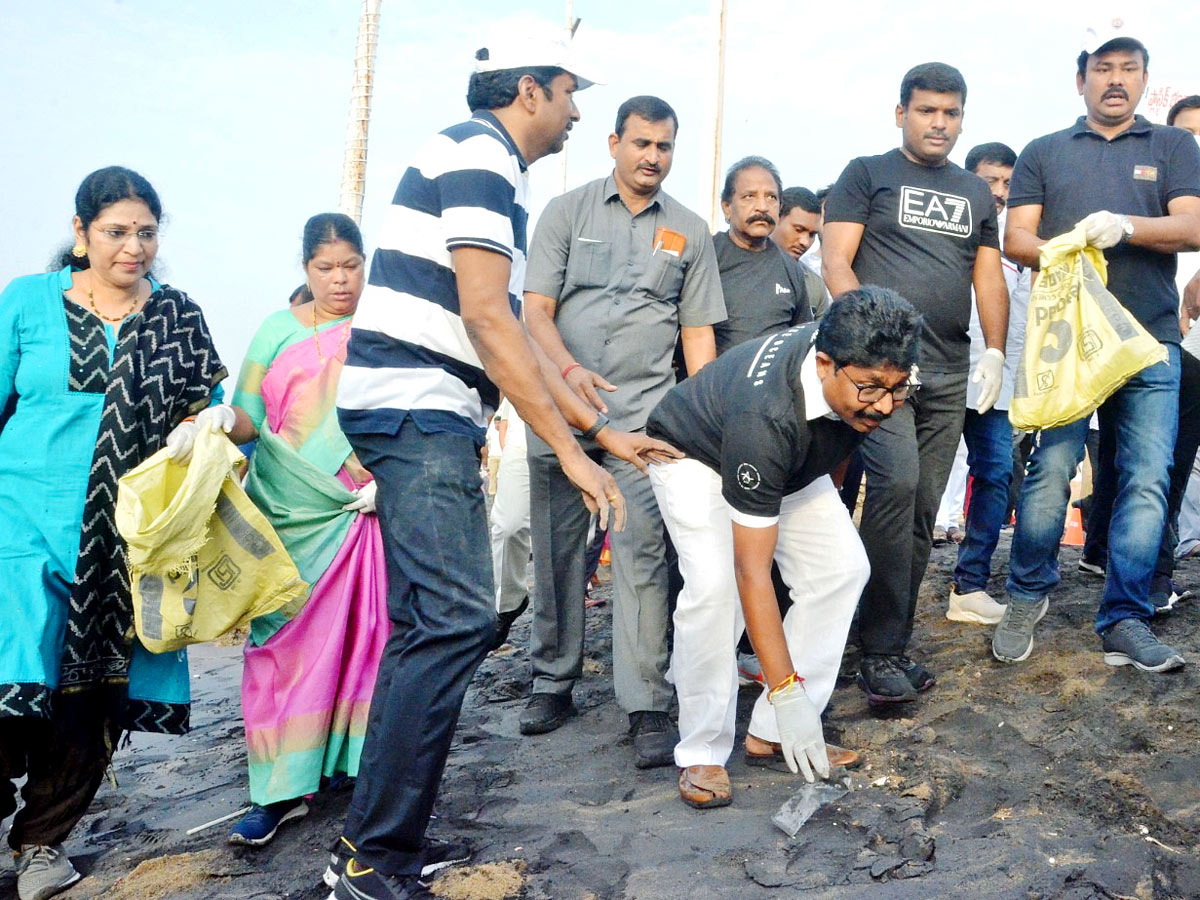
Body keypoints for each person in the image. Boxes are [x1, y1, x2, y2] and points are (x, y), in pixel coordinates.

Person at [329, 31, 677, 900]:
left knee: (427, 627)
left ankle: (374, 850)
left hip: (417, 406)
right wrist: (568, 449)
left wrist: (595, 424)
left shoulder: (483, 164)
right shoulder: (483, 157)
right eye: (569, 93)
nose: (576, 110)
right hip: (417, 407)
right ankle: (375, 857)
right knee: (451, 622)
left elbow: (511, 332)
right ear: (529, 90)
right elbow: (488, 319)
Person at [0, 166, 226, 900]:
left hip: (126, 539)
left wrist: (203, 423)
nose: (134, 246)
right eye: (116, 231)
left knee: (91, 694)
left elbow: (212, 410)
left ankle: (40, 845)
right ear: (80, 234)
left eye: (146, 232)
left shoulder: (176, 317)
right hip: (19, 523)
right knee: (13, 670)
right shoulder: (28, 303)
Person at [645, 286, 922, 808]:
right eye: (870, 390)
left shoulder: (876, 368)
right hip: (696, 454)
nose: (885, 405)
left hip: (793, 460)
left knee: (840, 569)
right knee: (715, 587)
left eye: (898, 389)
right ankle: (702, 748)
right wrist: (785, 686)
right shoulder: (765, 416)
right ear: (824, 364)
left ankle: (774, 732)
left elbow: (844, 438)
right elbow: (754, 572)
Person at [520, 94, 724, 766]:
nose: (653, 158)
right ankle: (554, 679)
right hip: (558, 415)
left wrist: (703, 418)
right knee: (558, 556)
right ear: (614, 143)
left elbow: (697, 334)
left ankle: (644, 705)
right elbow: (536, 315)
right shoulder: (565, 213)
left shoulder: (690, 231)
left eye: (664, 147)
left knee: (640, 557)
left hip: (644, 425)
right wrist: (569, 371)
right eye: (641, 144)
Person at [994, 20, 1200, 671]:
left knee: (1145, 481)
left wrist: (1128, 227)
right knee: (1051, 471)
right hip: (1068, 342)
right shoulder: (1045, 150)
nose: (1116, 80)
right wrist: (1070, 242)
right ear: (1081, 79)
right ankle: (1027, 593)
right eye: (1103, 68)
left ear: (1142, 78)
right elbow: (1016, 238)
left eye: (1129, 68)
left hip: (1150, 341)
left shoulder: (1172, 145)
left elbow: (1193, 226)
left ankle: (1126, 618)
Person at [196, 214, 388, 852]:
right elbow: (249, 417)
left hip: (362, 508)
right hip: (286, 509)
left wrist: (392, 477)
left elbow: (414, 406)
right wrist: (222, 419)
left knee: (368, 635)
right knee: (278, 643)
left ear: (366, 262)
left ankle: (355, 773)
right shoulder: (278, 330)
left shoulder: (389, 323)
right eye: (325, 268)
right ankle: (277, 791)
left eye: (350, 265)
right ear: (305, 269)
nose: (340, 280)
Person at [823, 62, 1009, 704]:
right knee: (895, 486)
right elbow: (835, 260)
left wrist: (995, 354)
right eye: (927, 110)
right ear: (900, 111)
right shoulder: (866, 174)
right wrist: (868, 345)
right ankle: (873, 646)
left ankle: (886, 643)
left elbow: (987, 278)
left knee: (924, 509)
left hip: (951, 370)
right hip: (884, 376)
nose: (939, 122)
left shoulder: (975, 194)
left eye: (951, 112)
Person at [944, 141, 1032, 623]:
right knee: (920, 483)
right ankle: (890, 586)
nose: (998, 193)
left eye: (1007, 185)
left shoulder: (1022, 246)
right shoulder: (951, 237)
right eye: (988, 182)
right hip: (945, 372)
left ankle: (970, 584)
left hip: (996, 386)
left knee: (996, 473)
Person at [712, 158, 815, 354]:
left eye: (771, 197)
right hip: (713, 381)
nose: (762, 207)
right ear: (726, 207)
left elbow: (802, 341)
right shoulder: (706, 256)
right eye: (749, 196)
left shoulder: (791, 269)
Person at [771, 186, 829, 318]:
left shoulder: (815, 286)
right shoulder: (738, 266)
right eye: (798, 229)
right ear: (777, 217)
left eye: (811, 234)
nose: (805, 242)